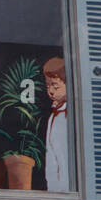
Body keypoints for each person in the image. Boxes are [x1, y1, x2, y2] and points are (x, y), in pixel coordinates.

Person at [42, 56, 71, 193]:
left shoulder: (71, 116)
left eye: (55, 86)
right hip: (57, 190)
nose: (51, 91)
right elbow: (51, 159)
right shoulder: (53, 116)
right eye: (48, 86)